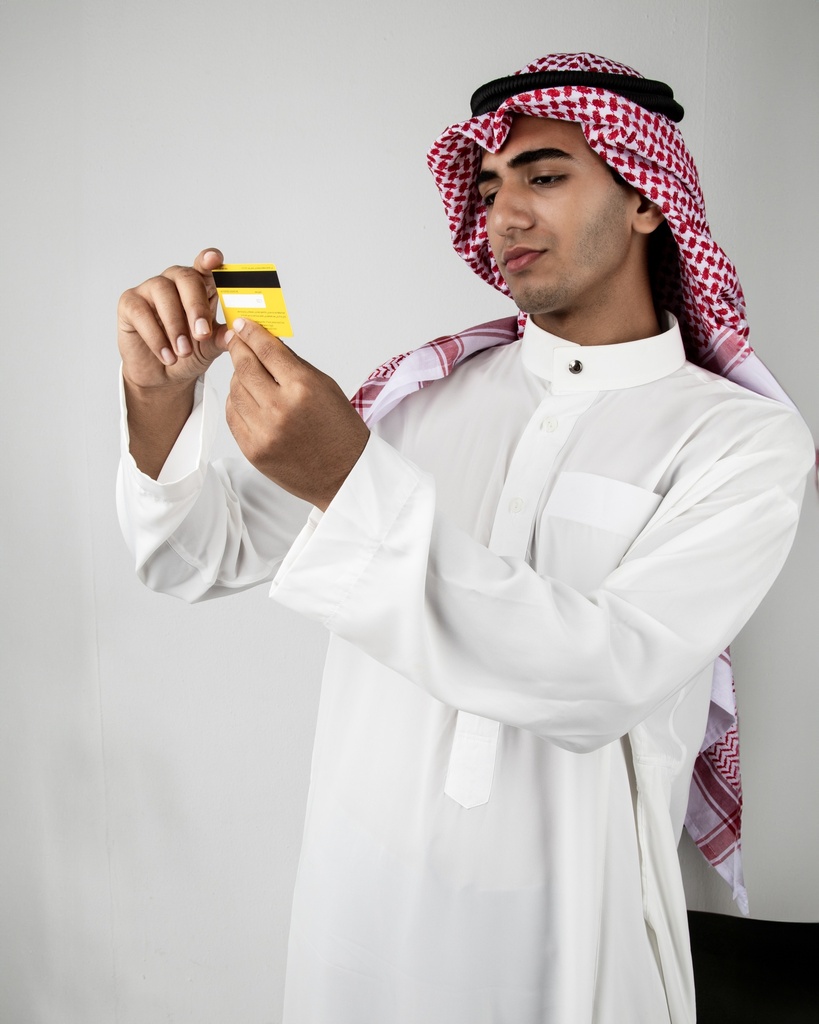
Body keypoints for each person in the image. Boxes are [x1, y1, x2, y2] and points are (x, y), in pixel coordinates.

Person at [116, 52, 814, 1024]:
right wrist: (158, 399)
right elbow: (196, 556)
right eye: (489, 186)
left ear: (648, 196)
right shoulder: (417, 401)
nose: (505, 214)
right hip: (355, 927)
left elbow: (606, 670)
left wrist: (348, 482)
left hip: (575, 948)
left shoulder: (742, 440)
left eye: (544, 175)